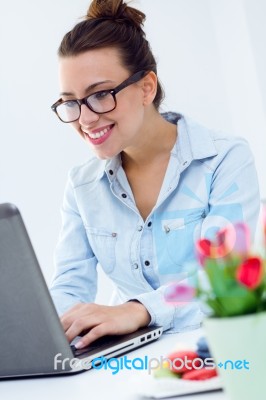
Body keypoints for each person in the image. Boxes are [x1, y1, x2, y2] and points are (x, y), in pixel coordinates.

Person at [50, 0, 260, 350]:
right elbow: (69, 288)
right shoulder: (82, 184)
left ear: (147, 87)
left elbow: (226, 280)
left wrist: (140, 309)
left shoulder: (224, 158)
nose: (85, 119)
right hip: (128, 360)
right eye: (71, 102)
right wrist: (40, 333)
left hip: (219, 351)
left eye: (100, 95)